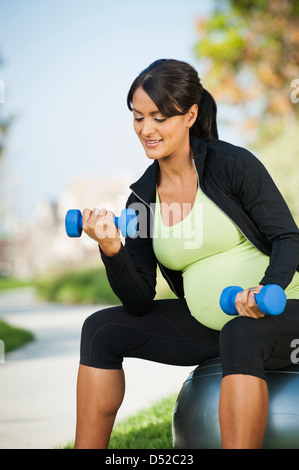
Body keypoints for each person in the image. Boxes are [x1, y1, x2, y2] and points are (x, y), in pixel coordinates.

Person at [74, 59, 299, 449]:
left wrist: (265, 292)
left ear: (190, 115)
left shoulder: (231, 165)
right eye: (138, 117)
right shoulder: (142, 201)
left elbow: (288, 237)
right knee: (101, 330)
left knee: (241, 332)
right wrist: (112, 249)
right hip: (213, 327)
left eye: (159, 117)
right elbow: (140, 300)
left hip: (284, 310)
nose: (146, 129)